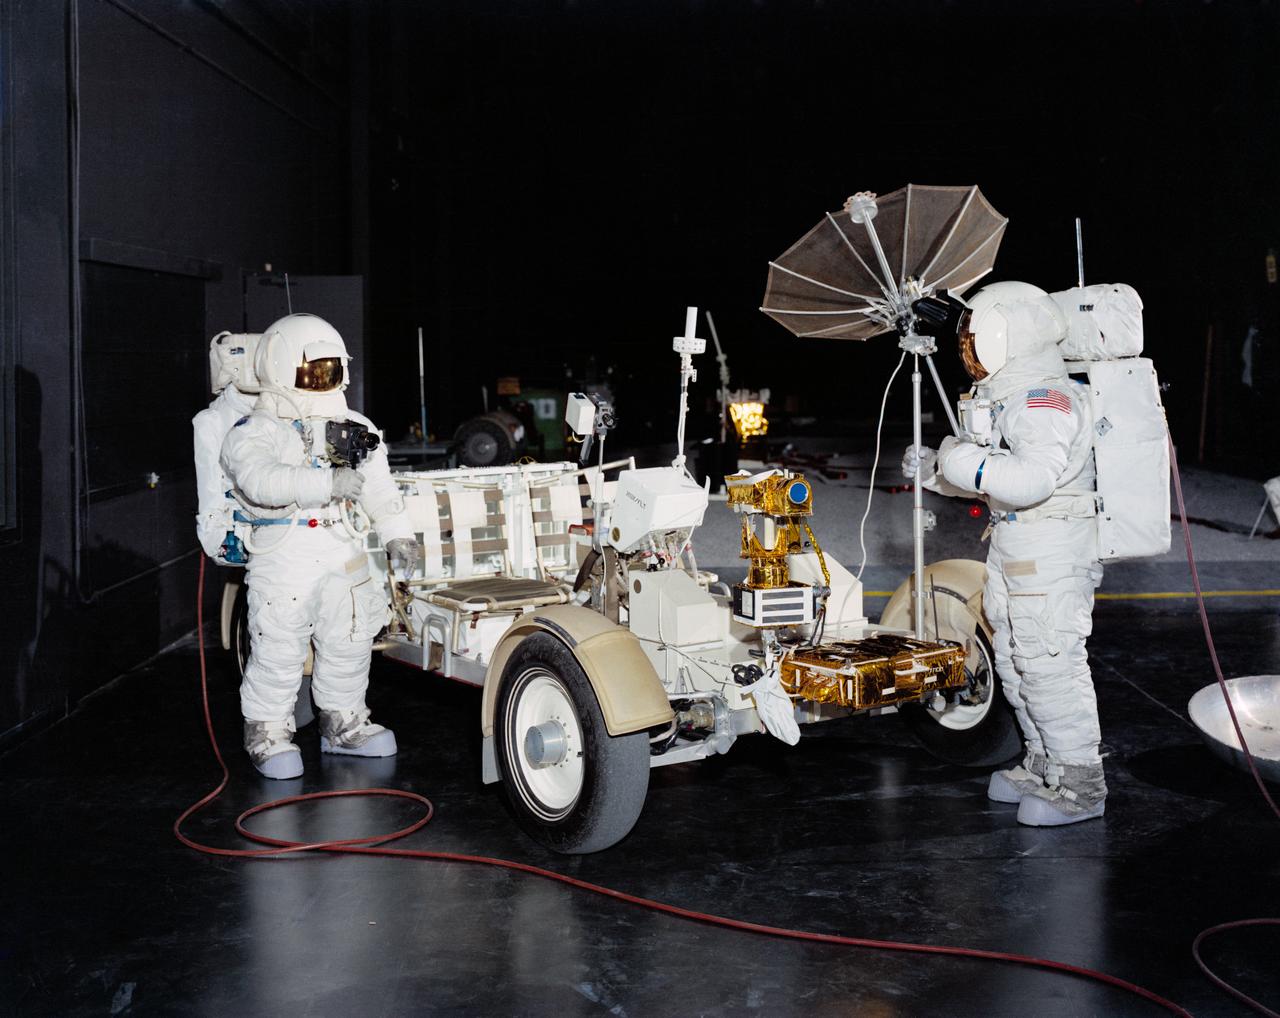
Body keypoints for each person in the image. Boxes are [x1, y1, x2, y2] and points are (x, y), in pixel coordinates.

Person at [903, 282, 1106, 826]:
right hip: (1018, 544)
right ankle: (1044, 764)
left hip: (1051, 545)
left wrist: (957, 459)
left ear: (1008, 335)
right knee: (1016, 659)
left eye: (974, 337)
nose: (967, 350)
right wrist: (936, 470)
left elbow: (1032, 480)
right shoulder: (1012, 400)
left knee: (1048, 662)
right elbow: (996, 479)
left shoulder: (1046, 400)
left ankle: (1082, 782)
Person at [221, 313, 420, 779]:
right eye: (311, 371)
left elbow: (378, 487)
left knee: (350, 639)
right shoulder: (256, 430)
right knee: (279, 646)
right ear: (280, 367)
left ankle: (343, 723)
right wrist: (325, 482)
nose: (321, 381)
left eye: (330, 370)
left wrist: (397, 532)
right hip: (286, 553)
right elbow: (260, 480)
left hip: (340, 547)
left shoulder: (353, 425)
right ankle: (268, 731)